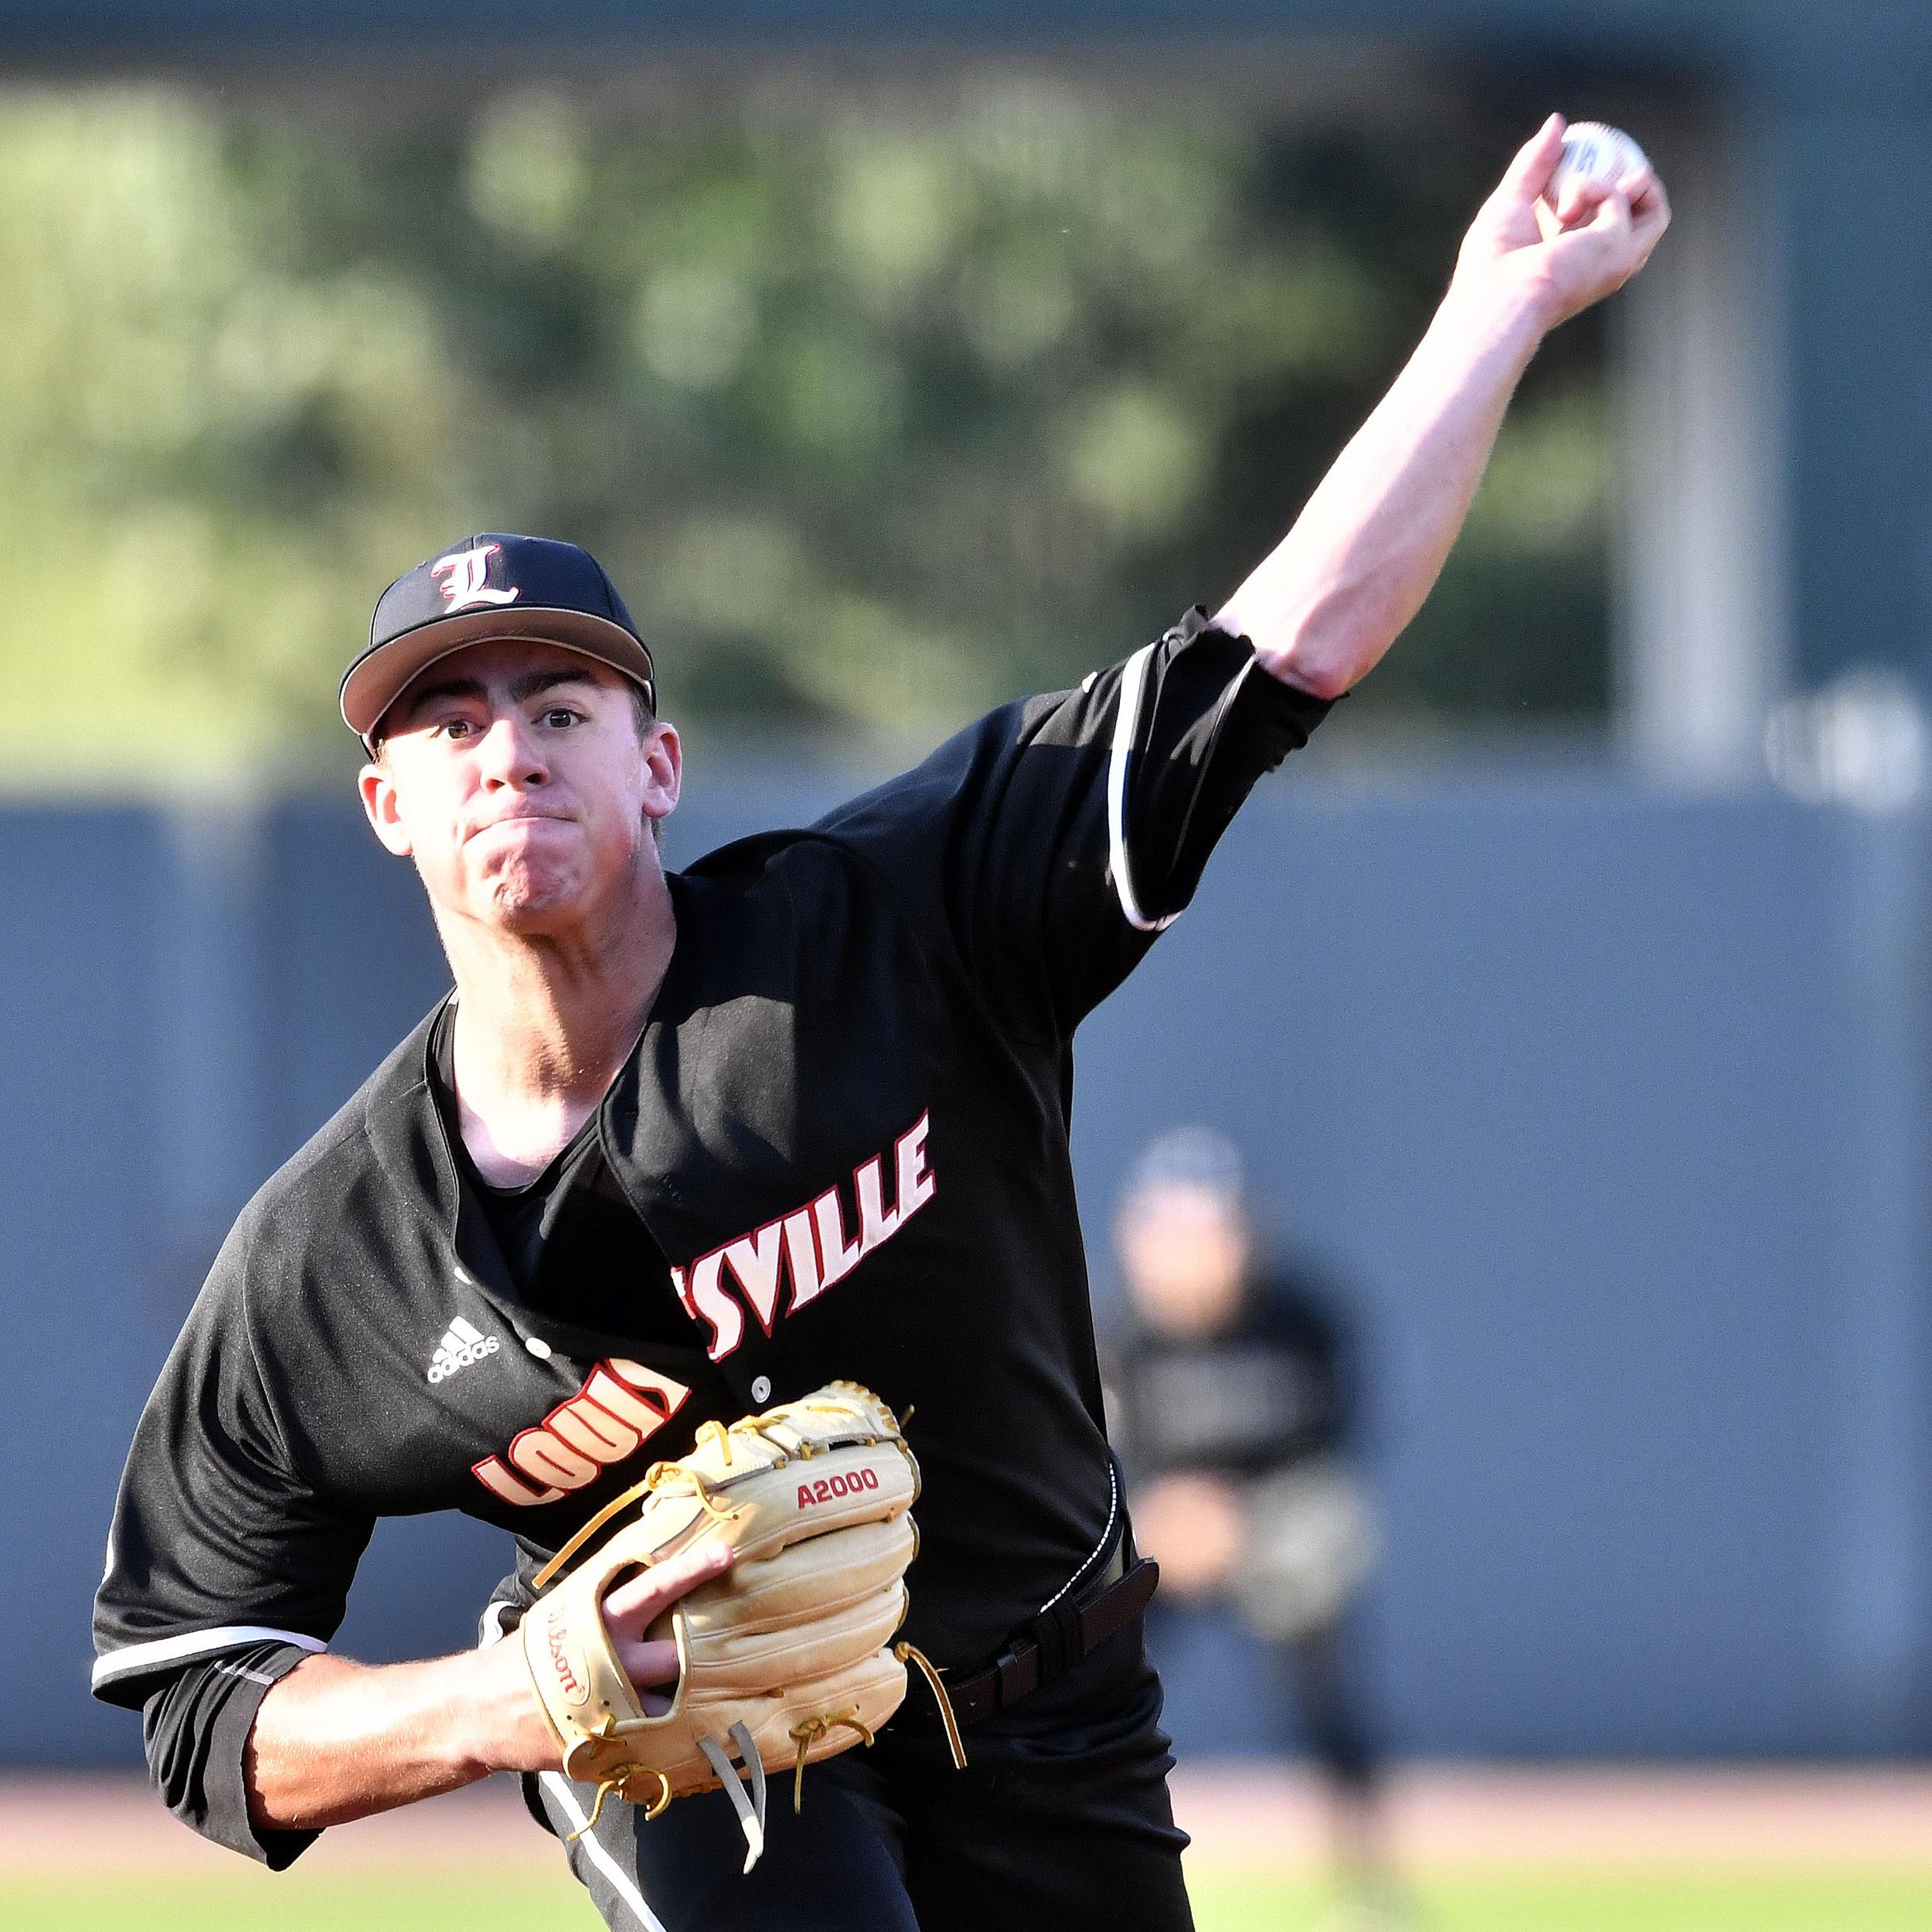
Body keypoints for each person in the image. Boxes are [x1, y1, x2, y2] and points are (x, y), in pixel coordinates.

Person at [91, 119, 1665, 1932]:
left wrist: (1500, 305)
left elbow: (1280, 646)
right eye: (443, 721)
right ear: (386, 808)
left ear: (658, 762)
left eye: (558, 700)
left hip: (1056, 1709)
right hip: (706, 1762)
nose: (504, 743)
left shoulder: (899, 922)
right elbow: (197, 1691)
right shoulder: (335, 1265)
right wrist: (508, 1703)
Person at [1106, 1127, 1397, 1924]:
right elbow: (1089, 1474)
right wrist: (1164, 1522)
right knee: (1089, 1670)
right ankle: (1081, 1853)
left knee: (1323, 1681)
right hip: (1158, 1546)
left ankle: (1368, 1879)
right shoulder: (1116, 1338)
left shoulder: (1301, 1321)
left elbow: (1337, 1464)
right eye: (1175, 1235)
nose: (1196, 1256)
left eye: (1212, 1234)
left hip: (1276, 1539)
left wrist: (1245, 1520)